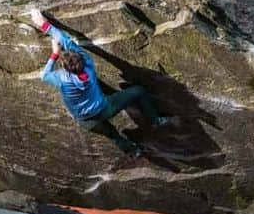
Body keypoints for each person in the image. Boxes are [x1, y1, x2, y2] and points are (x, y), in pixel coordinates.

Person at [29, 8, 171, 156]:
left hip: (87, 121)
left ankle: (133, 151)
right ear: (81, 60)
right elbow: (66, 40)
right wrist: (47, 27)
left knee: (113, 134)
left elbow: (44, 75)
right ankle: (156, 120)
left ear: (65, 68)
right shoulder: (88, 63)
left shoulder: (62, 79)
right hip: (105, 108)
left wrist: (54, 53)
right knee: (139, 91)